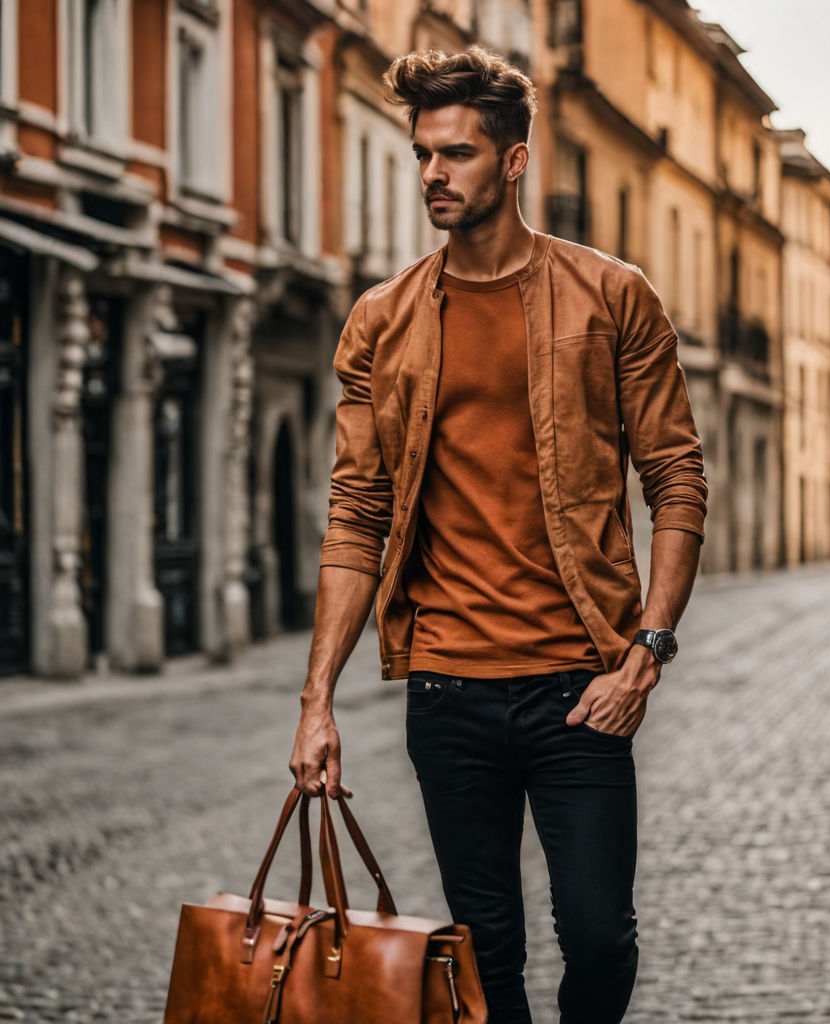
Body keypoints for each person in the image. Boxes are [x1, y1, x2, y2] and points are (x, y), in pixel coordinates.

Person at [289, 46, 708, 1024]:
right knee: (486, 952)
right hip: (448, 692)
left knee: (599, 933)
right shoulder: (382, 320)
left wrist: (644, 652)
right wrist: (316, 702)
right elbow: (357, 512)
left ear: (513, 163)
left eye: (459, 154)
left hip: (581, 686)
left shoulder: (611, 297)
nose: (434, 174)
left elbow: (675, 477)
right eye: (423, 154)